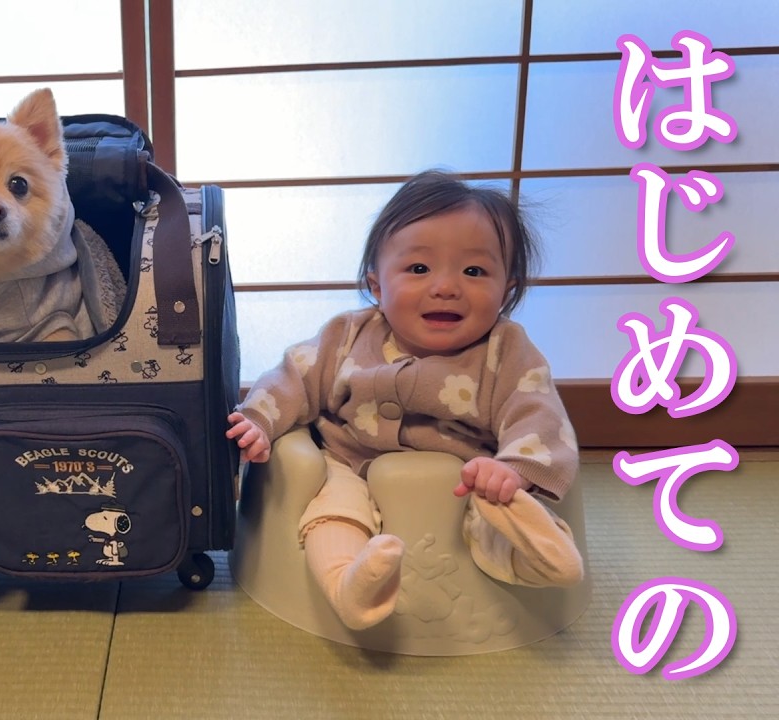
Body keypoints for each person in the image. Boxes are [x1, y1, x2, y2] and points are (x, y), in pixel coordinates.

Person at [227, 170, 583, 631]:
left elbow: (537, 412)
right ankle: (349, 586)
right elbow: (294, 376)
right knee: (330, 512)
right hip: (347, 463)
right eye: (419, 269)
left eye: (474, 271)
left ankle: (548, 558)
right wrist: (258, 421)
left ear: (507, 290)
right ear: (377, 286)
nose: (446, 286)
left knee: (497, 514)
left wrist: (512, 469)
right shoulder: (348, 335)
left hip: (465, 484)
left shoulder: (507, 351)